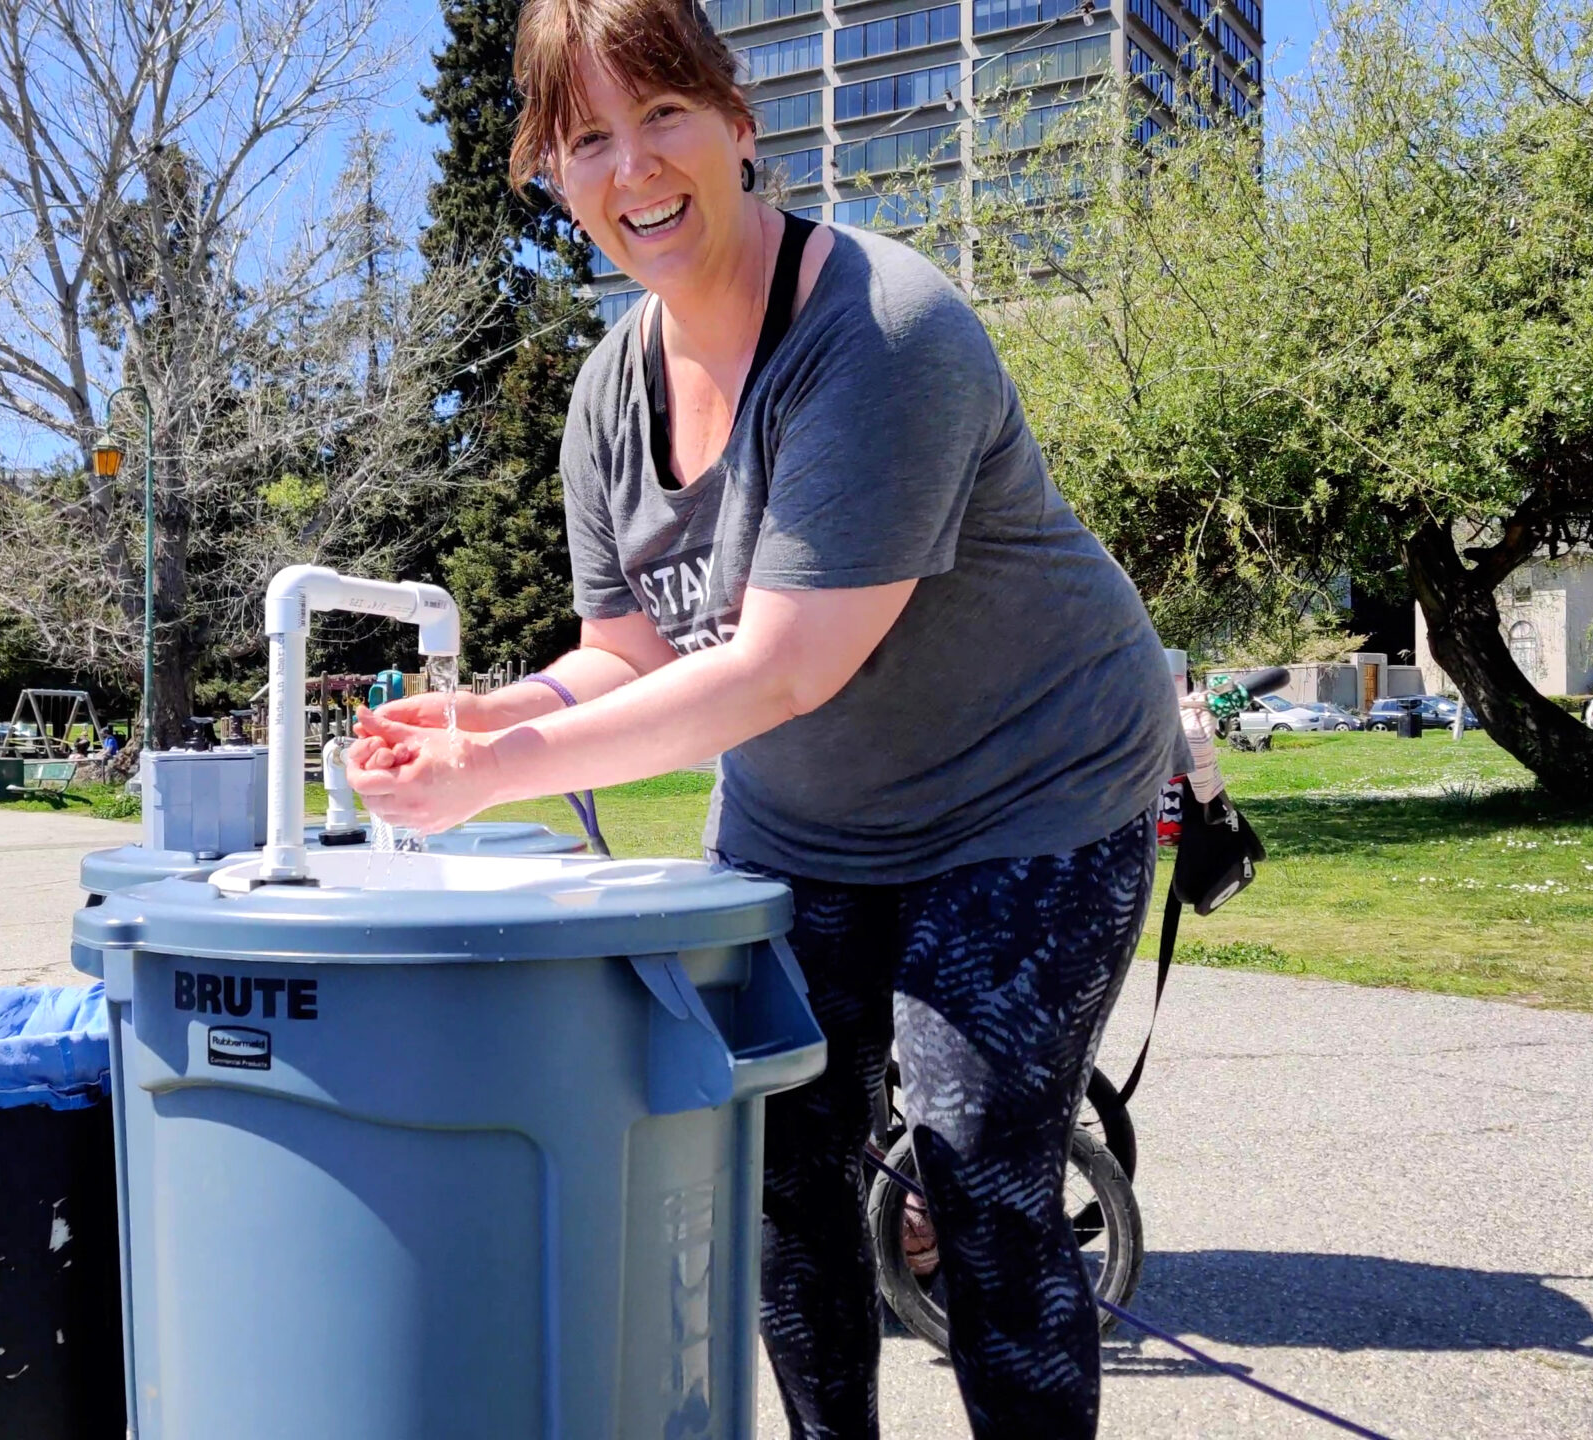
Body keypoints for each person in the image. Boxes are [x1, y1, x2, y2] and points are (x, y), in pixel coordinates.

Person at [344, 0, 1179, 1431]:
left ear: (739, 123)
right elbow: (623, 652)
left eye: (662, 114)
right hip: (809, 818)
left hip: (1034, 789)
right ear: (552, 173)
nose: (633, 167)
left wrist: (506, 772)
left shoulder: (883, 330)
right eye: (586, 137)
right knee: (779, 1171)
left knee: (976, 1174)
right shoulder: (609, 395)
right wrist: (480, 719)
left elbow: (782, 666)